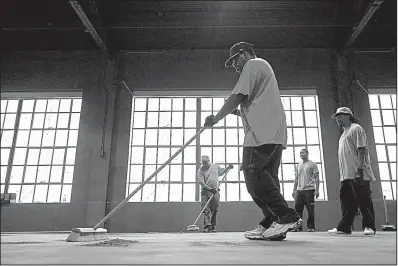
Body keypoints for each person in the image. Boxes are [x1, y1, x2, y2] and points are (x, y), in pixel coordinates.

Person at [204, 41, 301, 240]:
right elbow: (254, 104)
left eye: (234, 60)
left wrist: (215, 118)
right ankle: (272, 222)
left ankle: (286, 215)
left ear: (244, 53)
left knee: (253, 176)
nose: (234, 66)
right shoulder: (263, 68)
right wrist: (236, 114)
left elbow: (236, 96)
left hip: (260, 133)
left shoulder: (253, 65)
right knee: (268, 179)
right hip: (272, 131)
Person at [328, 107, 376, 236]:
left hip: (357, 173)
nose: (337, 118)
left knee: (364, 200)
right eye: (336, 116)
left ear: (348, 116)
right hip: (346, 175)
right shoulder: (343, 134)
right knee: (347, 203)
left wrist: (360, 170)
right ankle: (344, 227)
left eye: (340, 116)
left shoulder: (356, 128)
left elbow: (362, 149)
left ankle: (369, 227)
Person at [197, 155, 233, 233]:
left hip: (215, 191)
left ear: (209, 161)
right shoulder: (201, 170)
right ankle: (207, 227)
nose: (204, 164)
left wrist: (228, 168)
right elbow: (201, 182)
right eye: (203, 163)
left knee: (215, 208)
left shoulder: (215, 167)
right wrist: (210, 189)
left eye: (206, 162)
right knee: (205, 209)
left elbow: (221, 172)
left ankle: (212, 226)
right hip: (205, 191)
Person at [292, 149, 319, 232]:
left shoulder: (312, 164)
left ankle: (311, 227)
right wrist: (294, 190)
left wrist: (317, 190)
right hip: (299, 191)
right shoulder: (298, 165)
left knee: (310, 210)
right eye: (300, 153)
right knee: (297, 210)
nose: (301, 154)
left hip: (309, 190)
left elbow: (317, 177)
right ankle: (298, 227)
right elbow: (296, 178)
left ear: (307, 153)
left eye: (303, 152)